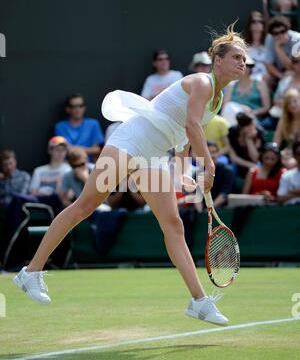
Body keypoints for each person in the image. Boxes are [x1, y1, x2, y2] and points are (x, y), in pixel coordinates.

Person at [13, 23, 249, 326]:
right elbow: (191, 125)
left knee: (173, 224)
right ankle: (30, 272)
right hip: (131, 141)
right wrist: (210, 166)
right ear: (218, 61)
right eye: (236, 57)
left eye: (244, 60)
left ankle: (200, 302)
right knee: (84, 207)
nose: (242, 63)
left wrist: (180, 173)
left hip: (152, 155)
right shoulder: (203, 82)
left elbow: (184, 138)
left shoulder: (218, 99)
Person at [222, 55, 271, 126]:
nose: (243, 67)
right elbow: (226, 107)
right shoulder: (231, 85)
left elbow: (266, 107)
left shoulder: (260, 84)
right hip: (233, 119)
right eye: (239, 65)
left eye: (247, 65)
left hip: (253, 119)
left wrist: (252, 113)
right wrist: (240, 109)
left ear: (251, 68)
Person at [54, 94, 104, 163]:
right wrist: (87, 150)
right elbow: (65, 148)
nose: (78, 109)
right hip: (67, 165)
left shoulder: (93, 124)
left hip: (88, 165)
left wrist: (74, 149)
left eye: (80, 106)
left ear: (84, 108)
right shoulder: (60, 126)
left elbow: (97, 149)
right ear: (68, 109)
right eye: (74, 106)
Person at [228, 112, 265, 178]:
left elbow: (255, 159)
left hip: (254, 162)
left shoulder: (259, 132)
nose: (252, 127)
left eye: (253, 124)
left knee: (258, 167)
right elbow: (233, 157)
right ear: (241, 127)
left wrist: (249, 140)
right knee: (231, 169)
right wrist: (249, 165)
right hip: (239, 162)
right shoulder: (232, 132)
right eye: (249, 125)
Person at [265, 16, 300, 82]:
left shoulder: (297, 39)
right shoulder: (269, 38)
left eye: (282, 31)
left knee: (289, 74)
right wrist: (281, 76)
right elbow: (269, 64)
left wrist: (278, 48)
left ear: (287, 30)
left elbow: (292, 66)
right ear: (272, 34)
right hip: (278, 71)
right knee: (266, 77)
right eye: (276, 33)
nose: (280, 35)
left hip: (295, 71)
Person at [207, 141, 235, 208]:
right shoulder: (199, 171)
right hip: (206, 210)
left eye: (214, 152)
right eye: (208, 153)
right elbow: (197, 195)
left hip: (224, 210)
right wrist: (201, 213)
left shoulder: (227, 171)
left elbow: (224, 195)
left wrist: (210, 209)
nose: (211, 155)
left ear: (218, 153)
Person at [244, 11, 269, 81]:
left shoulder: (269, 45)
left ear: (263, 25)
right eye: (254, 21)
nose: (257, 24)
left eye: (260, 21)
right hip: (247, 78)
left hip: (265, 78)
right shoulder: (244, 46)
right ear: (249, 25)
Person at [277, 140, 300, 204]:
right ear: (294, 155)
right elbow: (280, 198)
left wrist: (291, 191)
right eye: (299, 153)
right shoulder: (286, 175)